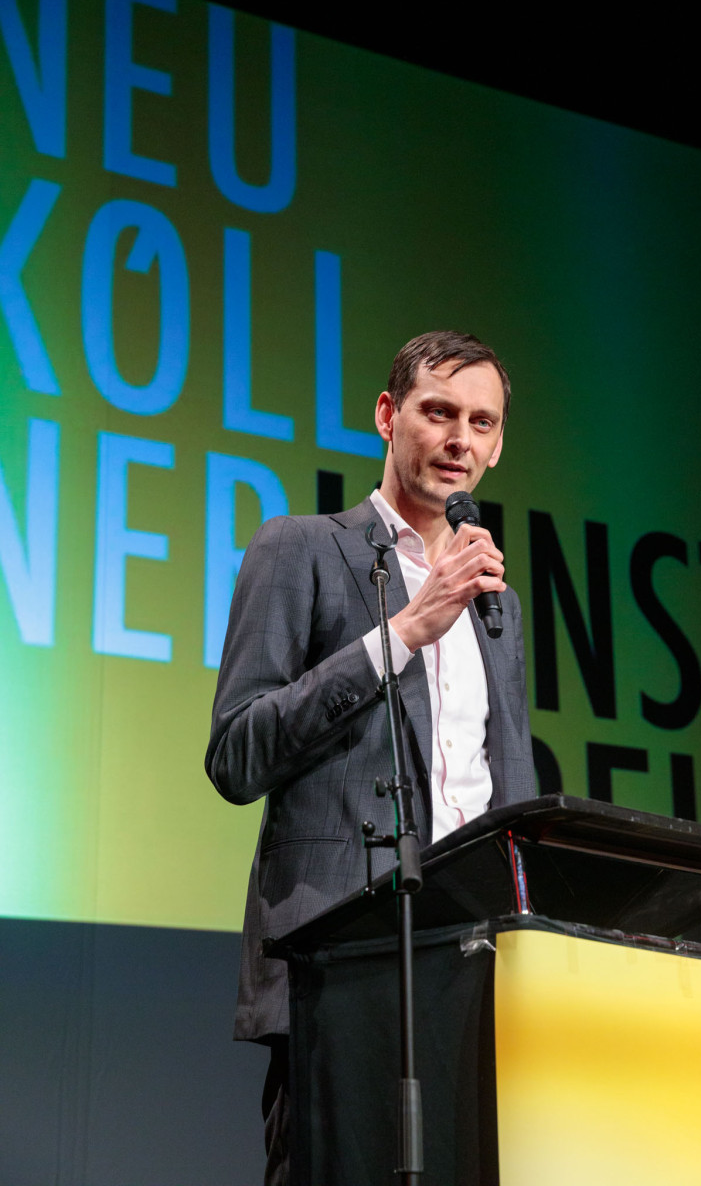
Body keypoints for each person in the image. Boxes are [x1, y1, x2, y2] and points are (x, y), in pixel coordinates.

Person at [205, 331, 536, 1181]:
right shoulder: (302, 548)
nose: (459, 437)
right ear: (389, 417)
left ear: (497, 445)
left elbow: (506, 788)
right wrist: (401, 635)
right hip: (343, 969)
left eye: (481, 422)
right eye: (438, 411)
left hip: (479, 969)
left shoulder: (498, 603)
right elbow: (238, 753)